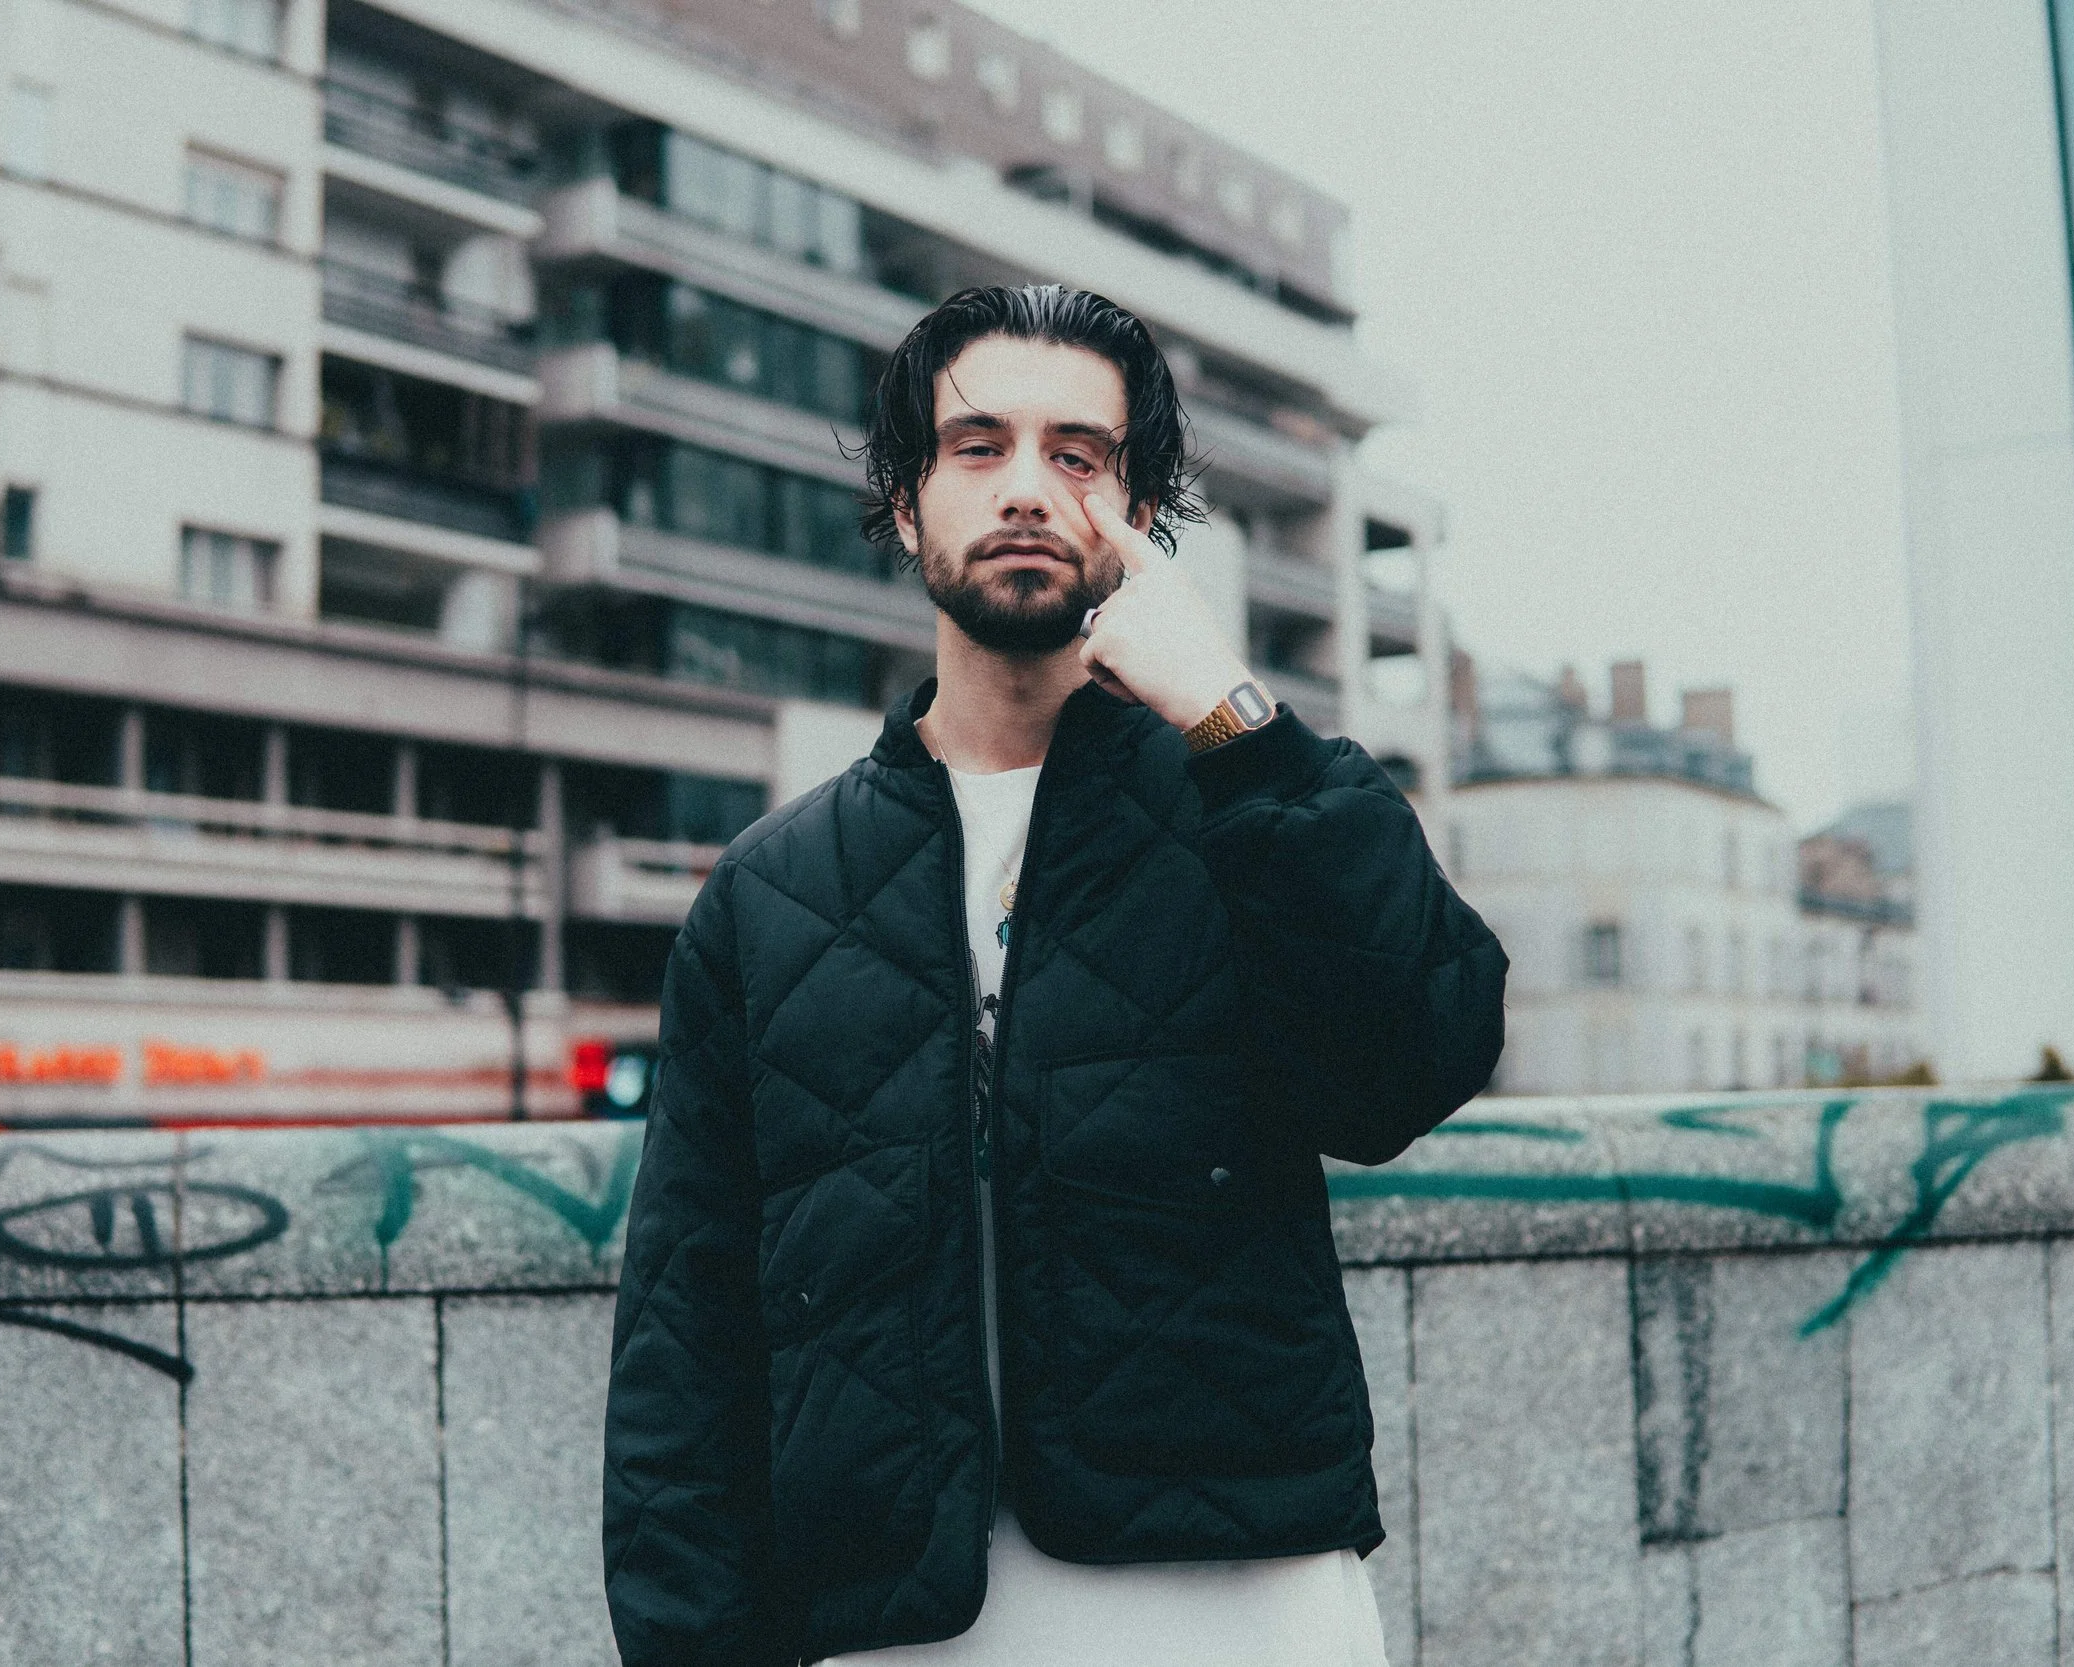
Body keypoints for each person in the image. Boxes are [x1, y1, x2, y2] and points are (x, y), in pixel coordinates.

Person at [603, 284, 1508, 1666]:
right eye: (978, 447)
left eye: (1078, 454)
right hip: (901, 1619)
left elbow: (1413, 1062)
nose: (1029, 487)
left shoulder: (1253, 801)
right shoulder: (770, 894)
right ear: (906, 504)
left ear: (1136, 514)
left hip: (1237, 1596)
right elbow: (686, 1338)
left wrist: (1237, 724)